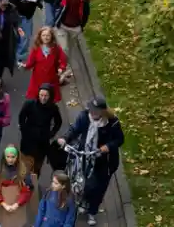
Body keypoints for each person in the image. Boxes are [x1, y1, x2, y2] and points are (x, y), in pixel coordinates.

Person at [58, 97, 124, 226]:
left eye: (96, 111)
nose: (93, 113)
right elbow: (75, 129)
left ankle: (92, 212)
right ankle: (85, 201)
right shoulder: (84, 116)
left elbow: (120, 139)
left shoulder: (112, 122)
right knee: (86, 183)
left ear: (103, 112)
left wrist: (108, 147)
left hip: (105, 161)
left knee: (99, 187)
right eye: (91, 109)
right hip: (86, 156)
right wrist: (65, 138)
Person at [19, 83, 63, 180]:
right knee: (24, 166)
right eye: (41, 95)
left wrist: (51, 134)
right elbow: (22, 117)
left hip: (42, 142)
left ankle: (33, 188)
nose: (43, 98)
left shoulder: (53, 108)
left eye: (46, 96)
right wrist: (24, 130)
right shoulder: (29, 104)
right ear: (38, 95)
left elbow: (58, 122)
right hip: (28, 140)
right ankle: (22, 186)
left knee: (37, 168)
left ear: (50, 96)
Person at [0, 146, 34, 226]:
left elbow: (27, 190)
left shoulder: (23, 170)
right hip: (2, 208)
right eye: (8, 157)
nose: (10, 159)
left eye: (13, 157)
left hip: (18, 208)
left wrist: (17, 204)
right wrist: (2, 203)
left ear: (17, 157)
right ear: (4, 157)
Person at [24, 27, 68, 102]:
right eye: (43, 35)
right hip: (38, 77)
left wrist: (61, 68)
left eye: (48, 35)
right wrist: (25, 66)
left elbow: (63, 60)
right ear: (40, 37)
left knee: (50, 98)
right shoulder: (36, 48)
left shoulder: (56, 48)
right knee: (37, 98)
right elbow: (31, 62)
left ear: (51, 36)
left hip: (51, 77)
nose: (45, 37)